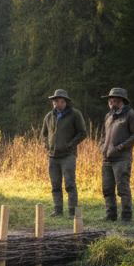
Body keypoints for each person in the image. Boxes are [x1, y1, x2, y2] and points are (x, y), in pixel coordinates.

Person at [39, 89, 87, 217]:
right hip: (52, 156)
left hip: (68, 156)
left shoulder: (75, 114)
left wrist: (70, 144)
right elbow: (44, 134)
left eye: (60, 101)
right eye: (55, 101)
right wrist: (48, 147)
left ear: (66, 102)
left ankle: (72, 212)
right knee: (55, 185)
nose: (57, 104)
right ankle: (58, 210)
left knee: (70, 184)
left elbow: (82, 133)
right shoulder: (49, 116)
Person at [99, 87, 134, 223]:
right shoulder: (108, 116)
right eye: (110, 101)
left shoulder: (131, 115)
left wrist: (120, 147)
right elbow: (104, 135)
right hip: (107, 159)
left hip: (122, 158)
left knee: (122, 189)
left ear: (122, 101)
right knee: (107, 189)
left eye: (114, 100)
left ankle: (126, 217)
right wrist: (102, 147)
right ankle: (110, 216)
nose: (111, 103)